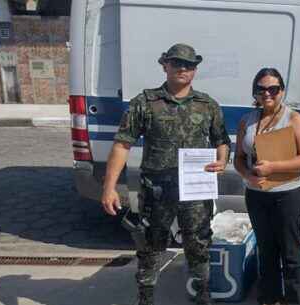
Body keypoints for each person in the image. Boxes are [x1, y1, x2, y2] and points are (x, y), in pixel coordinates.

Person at [99, 43, 231, 305]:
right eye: (177, 63)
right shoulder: (145, 103)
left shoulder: (207, 105)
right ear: (165, 65)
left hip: (195, 192)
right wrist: (109, 187)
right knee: (150, 246)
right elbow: (122, 144)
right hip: (157, 191)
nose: (183, 68)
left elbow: (221, 140)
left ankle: (203, 296)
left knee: (199, 244)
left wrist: (222, 160)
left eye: (189, 65)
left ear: (195, 70)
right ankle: (145, 298)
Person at [234, 68, 300, 305]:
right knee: (266, 251)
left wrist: (273, 168)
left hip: (288, 194)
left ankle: (295, 300)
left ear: (282, 91)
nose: (267, 93)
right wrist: (248, 175)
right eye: (261, 89)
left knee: (290, 252)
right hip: (257, 196)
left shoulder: (294, 119)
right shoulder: (247, 121)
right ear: (255, 93)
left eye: (273, 89)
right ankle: (269, 298)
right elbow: (238, 158)